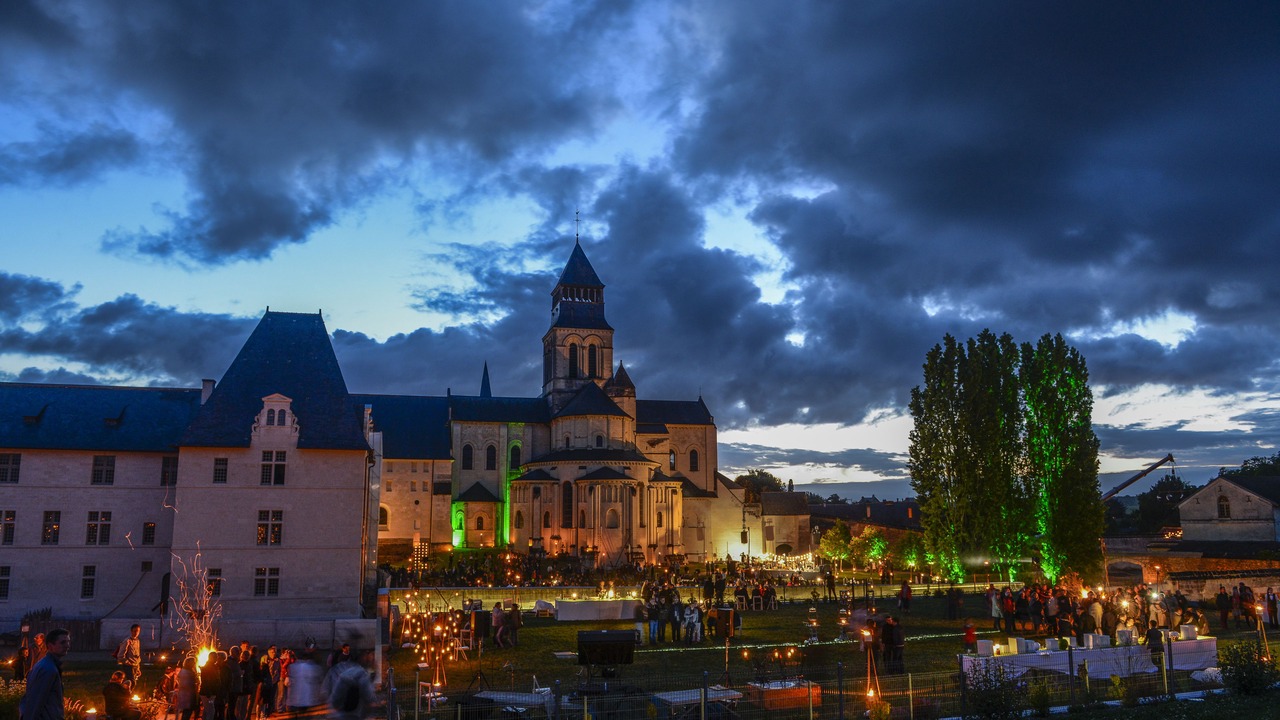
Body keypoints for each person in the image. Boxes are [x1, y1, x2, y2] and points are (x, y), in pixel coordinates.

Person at [19, 627, 70, 720]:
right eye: (63, 642)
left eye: (68, 642)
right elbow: (35, 702)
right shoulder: (48, 669)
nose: (67, 645)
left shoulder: (45, 665)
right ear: (50, 646)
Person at [322, 650, 375, 720]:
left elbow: (328, 694)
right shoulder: (362, 673)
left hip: (340, 714)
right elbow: (369, 696)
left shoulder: (335, 671)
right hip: (357, 714)